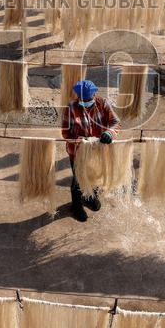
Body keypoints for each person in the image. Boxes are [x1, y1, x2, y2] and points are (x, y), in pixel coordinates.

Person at [61, 80, 120, 222]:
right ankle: (76, 206)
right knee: (78, 178)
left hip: (98, 150)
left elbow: (115, 122)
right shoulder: (71, 108)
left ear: (94, 94)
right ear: (78, 97)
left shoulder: (103, 104)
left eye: (88, 98)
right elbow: (65, 132)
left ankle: (88, 197)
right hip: (77, 152)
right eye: (83, 99)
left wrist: (109, 133)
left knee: (94, 174)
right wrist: (80, 141)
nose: (86, 101)